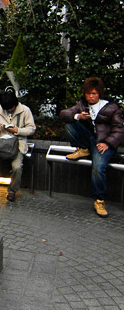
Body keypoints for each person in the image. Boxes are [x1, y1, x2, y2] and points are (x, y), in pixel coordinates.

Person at [60, 77, 124, 218]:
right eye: (88, 93)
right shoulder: (82, 104)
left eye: (93, 94)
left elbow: (119, 130)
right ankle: (83, 149)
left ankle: (99, 200)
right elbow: (64, 114)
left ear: (99, 93)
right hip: (90, 140)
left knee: (99, 167)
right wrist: (78, 116)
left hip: (104, 144)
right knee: (70, 123)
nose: (90, 96)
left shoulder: (111, 107)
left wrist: (107, 143)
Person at [0, 88, 36, 202]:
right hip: (0, 145)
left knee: (17, 167)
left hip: (17, 145)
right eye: (6, 109)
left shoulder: (25, 111)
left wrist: (17, 130)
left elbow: (31, 129)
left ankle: (12, 191)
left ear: (15, 104)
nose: (8, 110)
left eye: (10, 108)